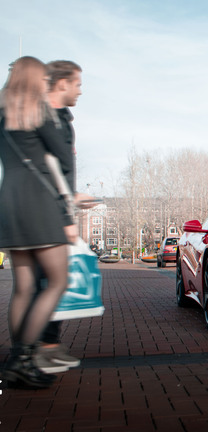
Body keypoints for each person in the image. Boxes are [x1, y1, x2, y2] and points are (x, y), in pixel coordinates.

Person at [0, 56, 76, 388]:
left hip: (9, 199)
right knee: (57, 281)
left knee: (24, 287)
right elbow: (61, 154)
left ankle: (17, 359)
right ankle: (23, 358)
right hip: (39, 202)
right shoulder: (40, 112)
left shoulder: (2, 115)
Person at [33, 60, 89, 374]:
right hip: (44, 211)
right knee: (50, 282)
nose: (80, 90)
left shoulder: (63, 119)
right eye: (77, 83)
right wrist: (66, 216)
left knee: (45, 283)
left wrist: (74, 197)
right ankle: (36, 350)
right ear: (62, 83)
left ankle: (45, 346)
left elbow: (62, 172)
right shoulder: (44, 118)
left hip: (55, 208)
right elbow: (49, 172)